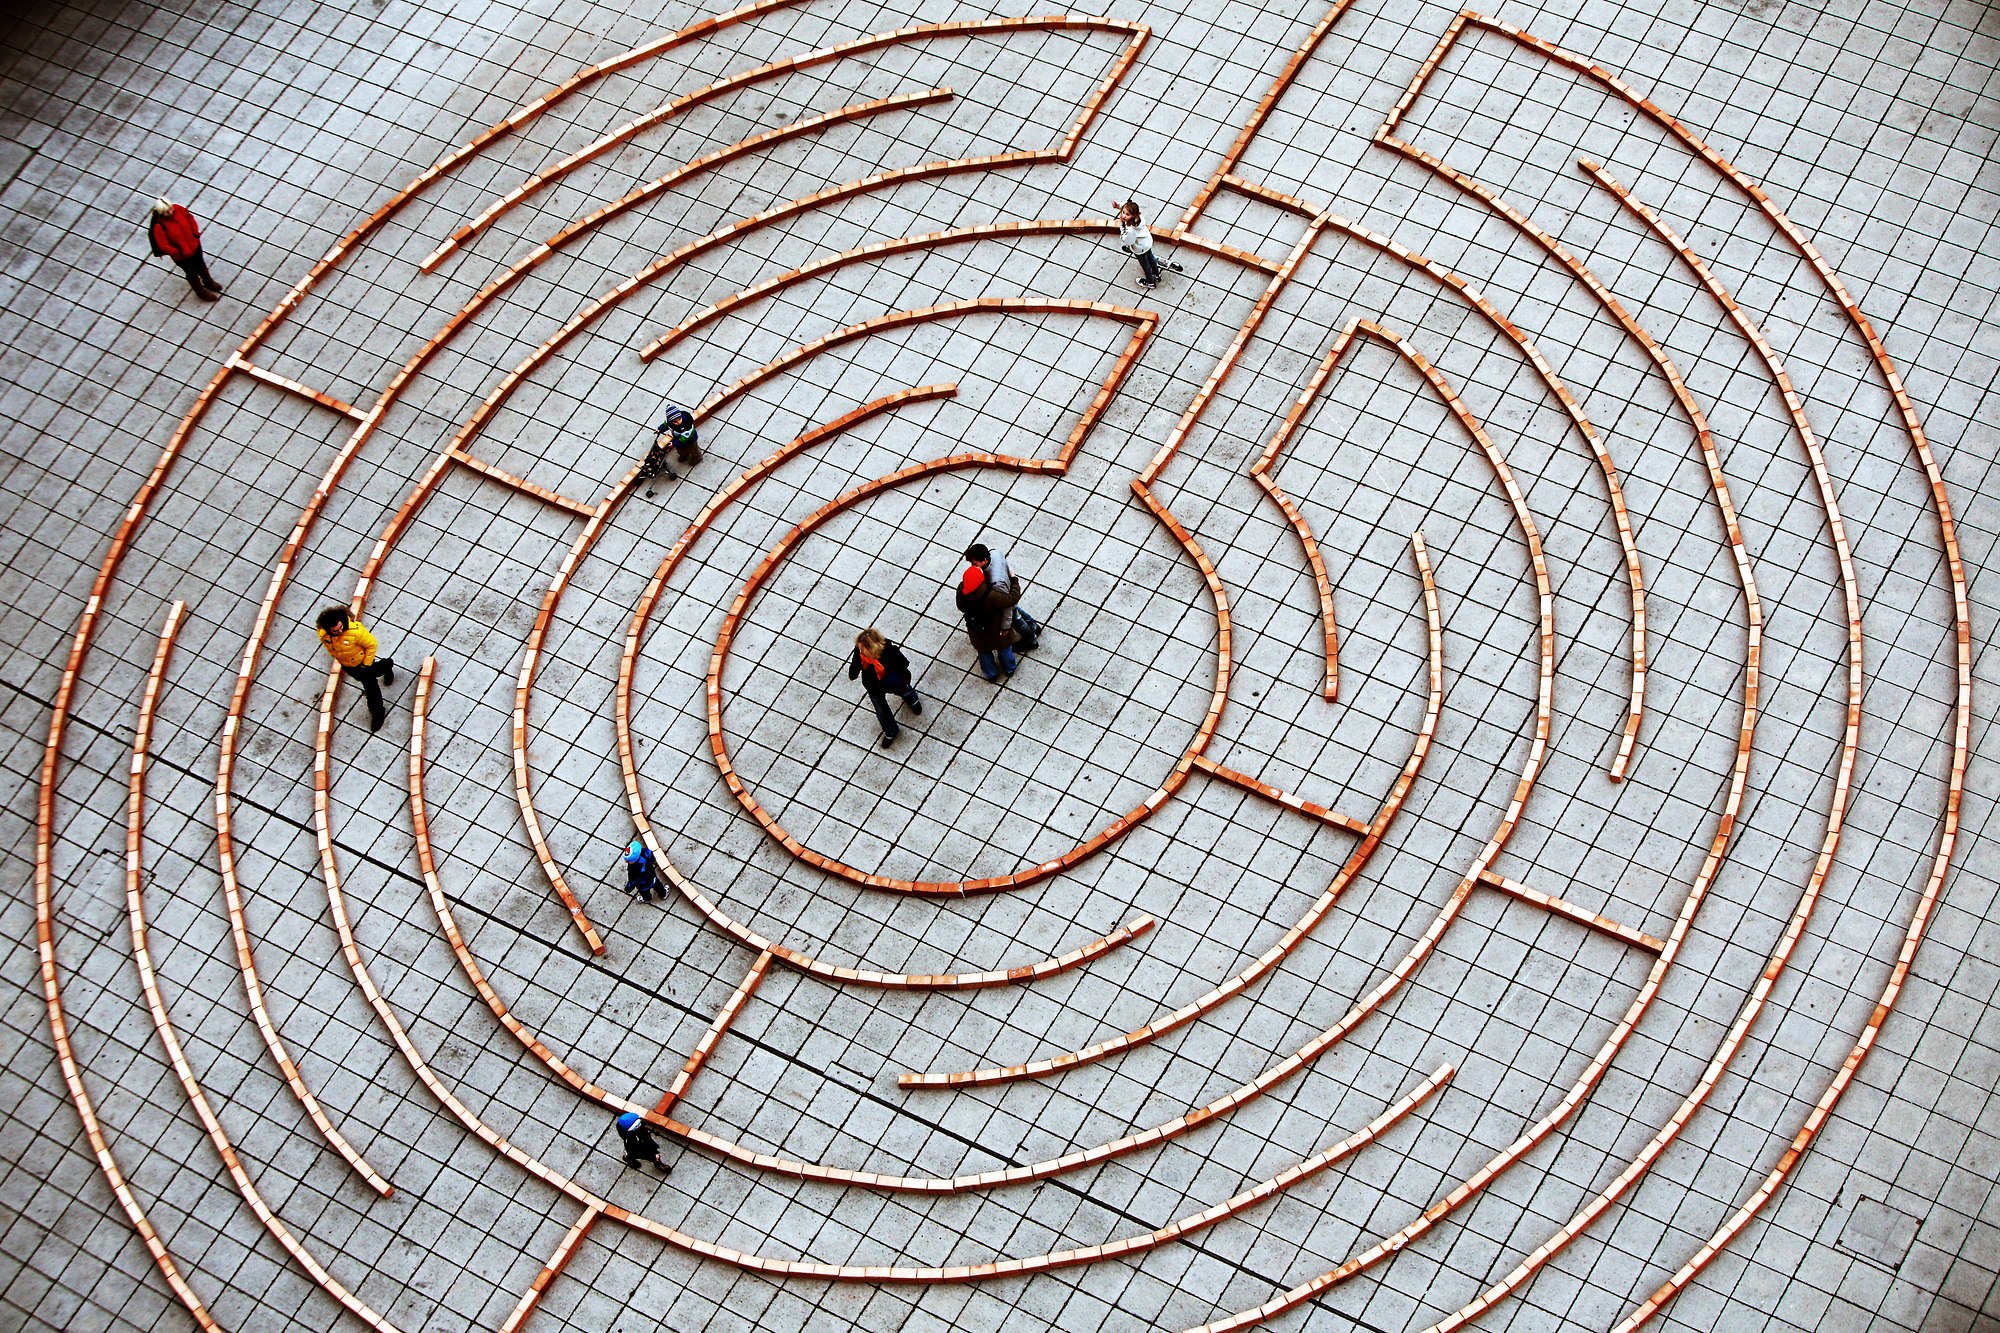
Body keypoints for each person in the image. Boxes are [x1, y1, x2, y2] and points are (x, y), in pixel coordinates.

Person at [315, 606, 394, 732]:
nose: (340, 631)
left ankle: (378, 713)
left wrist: (366, 664)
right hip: (348, 665)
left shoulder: (355, 631)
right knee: (376, 672)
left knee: (371, 689)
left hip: (362, 665)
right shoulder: (323, 634)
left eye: (341, 627)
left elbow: (372, 644)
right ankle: (387, 665)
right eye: (335, 631)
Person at [847, 628, 922, 747]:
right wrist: (853, 674)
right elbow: (856, 663)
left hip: (892, 681)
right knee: (881, 711)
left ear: (871, 648)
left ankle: (913, 700)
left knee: (905, 691)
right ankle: (891, 731)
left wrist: (898, 678)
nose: (859, 650)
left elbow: (903, 665)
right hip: (873, 685)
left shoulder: (890, 651)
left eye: (862, 648)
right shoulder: (860, 652)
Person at [964, 543, 1038, 651]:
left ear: (984, 560)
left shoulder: (995, 582)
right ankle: (1033, 626)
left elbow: (1007, 604)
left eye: (975, 563)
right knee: (1017, 610)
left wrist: (1005, 626)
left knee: (1016, 618)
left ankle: (1031, 640)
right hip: (1009, 586)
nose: (973, 566)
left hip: (1007, 596)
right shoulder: (995, 553)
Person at [147, 198, 224, 301]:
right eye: (167, 212)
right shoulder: (159, 226)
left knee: (201, 264)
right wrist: (175, 252)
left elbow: (190, 219)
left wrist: (195, 234)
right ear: (161, 213)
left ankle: (208, 282)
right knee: (191, 272)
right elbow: (163, 245)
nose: (171, 212)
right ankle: (200, 292)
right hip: (181, 255)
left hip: (194, 245)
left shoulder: (179, 209)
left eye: (170, 209)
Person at [956, 561, 1020, 683]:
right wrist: (1014, 580)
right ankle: (1009, 668)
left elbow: (960, 606)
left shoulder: (961, 590)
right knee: (1004, 648)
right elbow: (1012, 599)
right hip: (995, 628)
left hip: (977, 630)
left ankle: (991, 674)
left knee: (984, 651)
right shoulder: (991, 595)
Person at [1115, 200, 1182, 290]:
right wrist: (1119, 205)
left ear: (1133, 215)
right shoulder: (1139, 218)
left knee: (1145, 264)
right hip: (1146, 243)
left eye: (1127, 214)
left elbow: (1128, 241)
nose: (1123, 215)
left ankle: (1150, 282)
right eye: (1123, 212)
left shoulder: (1130, 230)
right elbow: (1128, 205)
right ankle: (1156, 274)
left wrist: (1122, 229)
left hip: (1139, 248)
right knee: (1151, 258)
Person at [637, 405, 702, 495]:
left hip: (690, 440)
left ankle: (697, 458)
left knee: (693, 450)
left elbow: (684, 438)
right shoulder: (670, 422)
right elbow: (665, 425)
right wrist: (660, 429)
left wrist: (674, 443)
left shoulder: (687, 426)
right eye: (675, 421)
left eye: (679, 419)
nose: (678, 422)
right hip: (677, 439)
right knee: (681, 450)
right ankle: (684, 455)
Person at [622, 838, 665, 903]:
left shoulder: (633, 869)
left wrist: (628, 888)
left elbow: (633, 880)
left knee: (645, 892)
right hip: (652, 876)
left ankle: (647, 899)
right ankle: (663, 894)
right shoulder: (646, 853)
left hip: (643, 884)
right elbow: (652, 857)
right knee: (658, 885)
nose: (626, 861)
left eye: (628, 861)